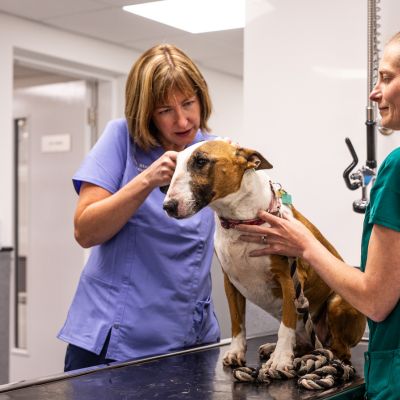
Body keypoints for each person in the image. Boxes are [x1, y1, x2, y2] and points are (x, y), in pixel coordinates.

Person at [236, 32, 400, 399]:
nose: (375, 92)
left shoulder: (398, 167)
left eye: (386, 78)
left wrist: (304, 244)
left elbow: (376, 299)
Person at [58, 44, 220, 371]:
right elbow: (85, 231)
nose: (183, 119)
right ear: (145, 112)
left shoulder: (215, 151)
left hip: (189, 339)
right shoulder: (121, 139)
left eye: (189, 103)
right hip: (117, 340)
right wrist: (145, 180)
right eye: (165, 110)